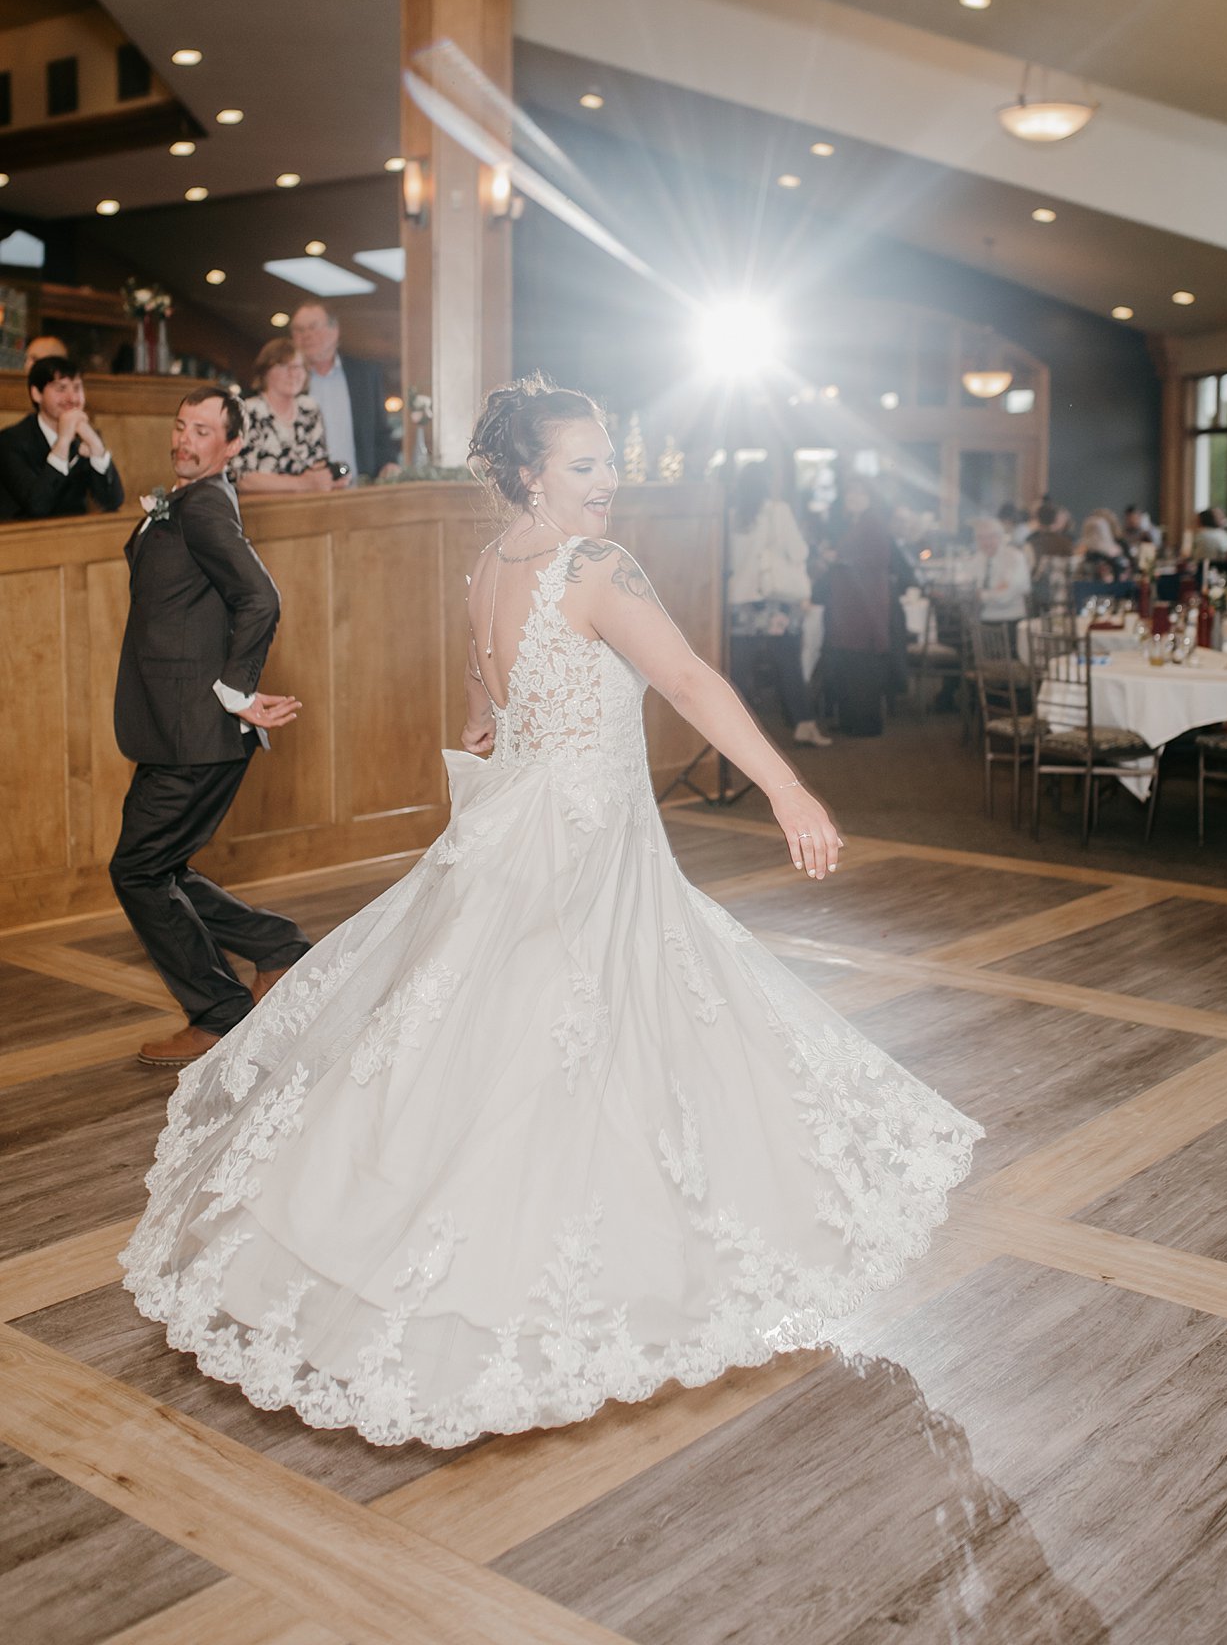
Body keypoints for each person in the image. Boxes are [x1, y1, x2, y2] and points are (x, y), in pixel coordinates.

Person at [120, 376, 982, 1449]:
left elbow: (484, 700)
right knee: (575, 1023)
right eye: (583, 463)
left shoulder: (488, 567)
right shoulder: (592, 566)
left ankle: (441, 1239)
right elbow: (687, 677)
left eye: (608, 458)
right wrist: (785, 786)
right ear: (530, 472)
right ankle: (534, 1267)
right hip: (577, 839)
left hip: (532, 824)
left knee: (504, 1028)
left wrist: (489, 727)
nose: (607, 478)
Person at [109, 387, 311, 1068]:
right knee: (158, 866)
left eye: (202, 430)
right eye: (180, 424)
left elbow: (261, 596)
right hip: (176, 727)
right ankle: (279, 948)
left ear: (231, 446)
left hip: (198, 730)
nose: (184, 438)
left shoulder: (204, 503)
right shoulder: (189, 498)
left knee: (138, 870)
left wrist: (235, 690)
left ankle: (220, 1014)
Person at [727, 460, 829, 747]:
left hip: (739, 600)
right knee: (788, 664)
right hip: (773, 601)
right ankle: (803, 725)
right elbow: (798, 552)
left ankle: (735, 731)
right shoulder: (777, 511)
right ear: (768, 482)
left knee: (738, 669)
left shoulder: (733, 515)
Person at [0, 355, 125, 519]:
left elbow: (113, 501)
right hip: (23, 540)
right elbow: (37, 506)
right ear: (36, 393)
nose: (72, 398)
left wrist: (97, 448)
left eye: (77, 388)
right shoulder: (10, 441)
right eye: (61, 389)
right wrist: (63, 442)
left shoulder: (85, 435)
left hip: (73, 538)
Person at [290, 301, 398, 482]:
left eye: (313, 327)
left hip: (359, 489)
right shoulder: (287, 380)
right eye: (299, 330)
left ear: (335, 330)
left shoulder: (365, 375)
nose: (306, 335)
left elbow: (380, 431)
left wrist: (388, 463)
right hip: (303, 492)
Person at [821, 481, 894, 735]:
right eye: (849, 492)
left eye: (858, 492)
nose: (852, 496)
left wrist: (841, 560)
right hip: (852, 603)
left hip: (864, 604)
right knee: (851, 663)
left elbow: (880, 559)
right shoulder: (857, 522)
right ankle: (852, 720)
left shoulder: (872, 522)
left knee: (861, 663)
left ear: (869, 497)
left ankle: (864, 724)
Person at [234, 337, 347, 495]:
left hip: (306, 507)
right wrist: (301, 483)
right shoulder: (249, 411)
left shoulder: (309, 408)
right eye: (284, 366)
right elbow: (241, 478)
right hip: (260, 510)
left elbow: (318, 463)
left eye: (299, 367)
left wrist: (329, 478)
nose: (293, 373)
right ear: (265, 371)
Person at [966, 516, 1032, 629]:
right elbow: (967, 591)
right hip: (981, 622)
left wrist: (980, 594)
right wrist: (994, 591)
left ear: (1001, 537)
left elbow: (1005, 596)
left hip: (1010, 621)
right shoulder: (976, 559)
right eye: (981, 538)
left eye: (991, 537)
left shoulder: (1014, 557)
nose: (986, 542)